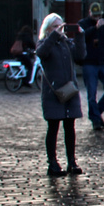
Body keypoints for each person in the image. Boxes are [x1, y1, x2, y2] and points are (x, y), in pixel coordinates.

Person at [37, 12, 86, 177]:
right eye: (56, 26)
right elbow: (41, 53)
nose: (60, 29)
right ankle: (52, 162)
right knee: (53, 127)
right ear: (49, 28)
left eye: (61, 26)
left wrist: (80, 36)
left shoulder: (66, 43)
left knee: (70, 127)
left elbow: (80, 57)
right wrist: (53, 37)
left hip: (69, 90)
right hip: (54, 92)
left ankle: (71, 161)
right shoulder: (45, 42)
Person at [78, 3, 104, 131]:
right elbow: (81, 37)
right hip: (89, 62)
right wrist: (95, 28)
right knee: (92, 93)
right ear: (89, 13)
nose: (97, 18)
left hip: (103, 62)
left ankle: (96, 113)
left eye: (98, 15)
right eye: (94, 15)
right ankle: (96, 120)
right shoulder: (83, 23)